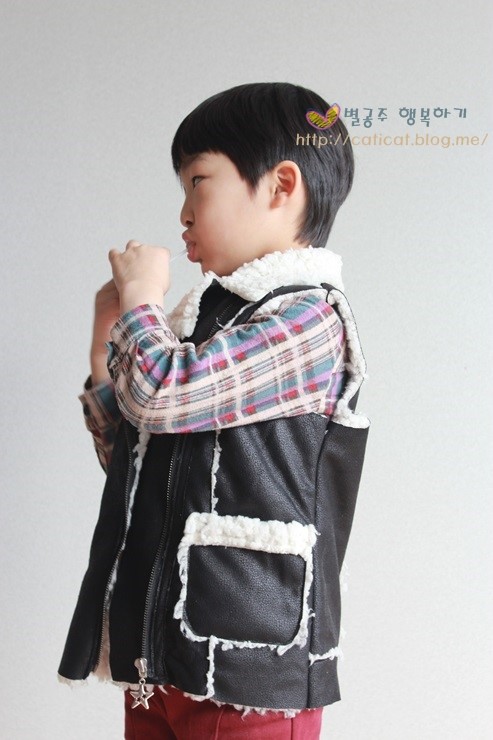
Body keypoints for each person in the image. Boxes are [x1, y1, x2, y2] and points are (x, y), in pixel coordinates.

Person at [58, 82, 370, 739]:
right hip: (163, 652)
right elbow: (138, 465)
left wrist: (142, 302)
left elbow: (164, 394)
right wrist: (106, 350)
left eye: (197, 181)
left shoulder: (307, 320)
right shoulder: (200, 323)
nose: (183, 213)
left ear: (281, 185)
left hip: (246, 664)